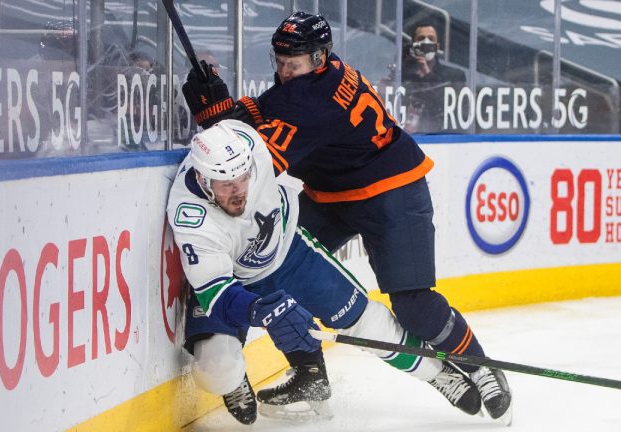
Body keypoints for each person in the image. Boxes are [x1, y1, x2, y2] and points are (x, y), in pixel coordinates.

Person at [180, 12, 512, 423]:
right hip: (333, 194)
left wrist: (215, 118)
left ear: (319, 58)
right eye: (279, 62)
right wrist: (227, 107)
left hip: (392, 192)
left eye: (293, 65)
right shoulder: (315, 77)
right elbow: (268, 109)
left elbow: (257, 160)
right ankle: (309, 374)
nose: (284, 72)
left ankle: (480, 366)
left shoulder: (314, 101)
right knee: (275, 264)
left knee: (414, 305)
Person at [167, 119, 462, 424]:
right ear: (203, 181)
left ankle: (438, 373)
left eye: (243, 179)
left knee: (365, 319)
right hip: (233, 280)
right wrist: (261, 310)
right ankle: (235, 377)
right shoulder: (191, 216)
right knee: (217, 372)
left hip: (287, 252)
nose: (239, 191)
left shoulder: (251, 146)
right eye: (227, 185)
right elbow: (217, 293)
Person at [401, 23, 466, 133]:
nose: (426, 42)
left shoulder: (454, 75)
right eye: (421, 38)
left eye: (431, 39)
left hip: (441, 137)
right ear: (413, 45)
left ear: (437, 46)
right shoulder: (403, 75)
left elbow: (451, 108)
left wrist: (427, 74)